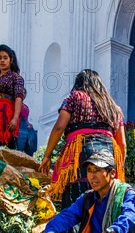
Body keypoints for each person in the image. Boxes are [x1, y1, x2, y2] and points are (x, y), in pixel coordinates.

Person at [40, 69, 126, 208]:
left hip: (81, 149)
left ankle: (75, 229)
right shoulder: (113, 106)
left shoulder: (74, 97)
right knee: (104, 199)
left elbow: (59, 127)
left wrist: (47, 156)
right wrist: (118, 166)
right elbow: (122, 143)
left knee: (76, 196)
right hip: (109, 152)